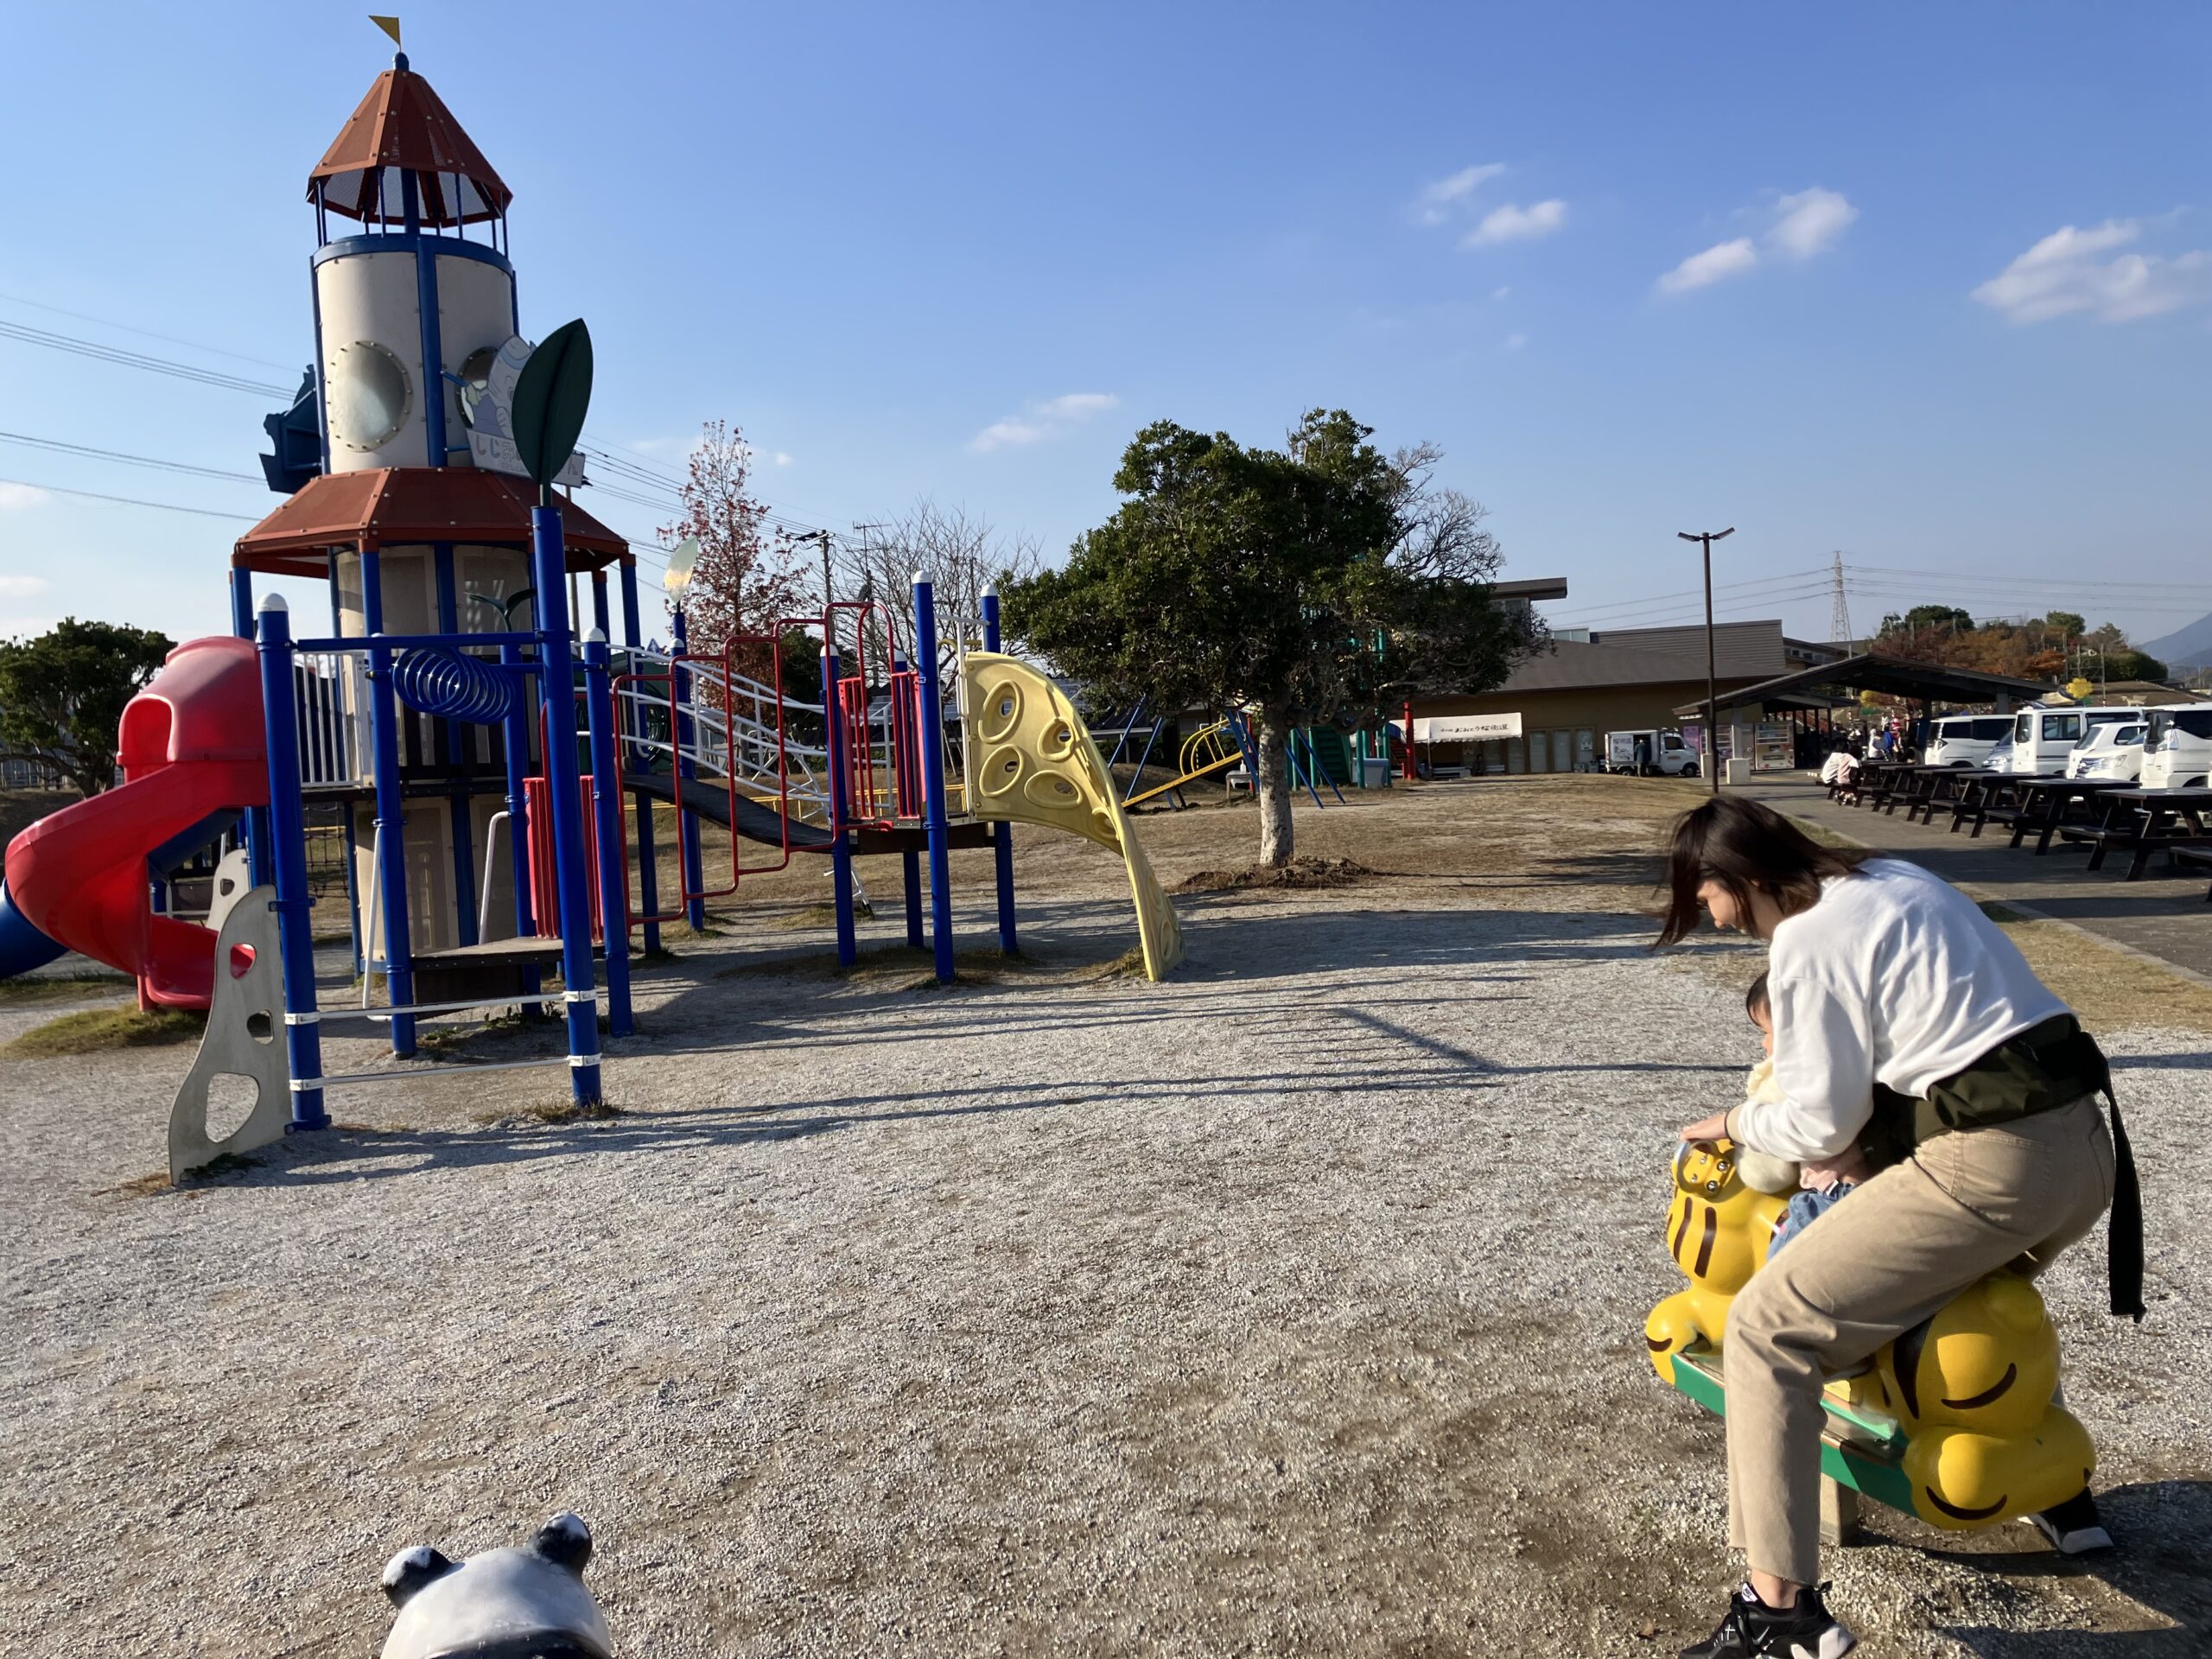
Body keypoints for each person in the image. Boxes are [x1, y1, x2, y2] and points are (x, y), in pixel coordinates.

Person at [1656, 797, 2141, 1659]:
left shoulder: (1804, 935)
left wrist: (1733, 1122)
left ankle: (1777, 1616)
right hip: (2083, 1148)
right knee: (1967, 1295)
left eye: (1707, 900)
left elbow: (1817, 1123)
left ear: (1739, 875)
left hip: (1992, 1162)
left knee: (1770, 1328)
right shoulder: (1894, 876)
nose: (1715, 919)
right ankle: (2052, 1484)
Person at [1738, 972, 1874, 1259]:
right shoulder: (1860, 1059)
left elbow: (1768, 1173)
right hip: (1882, 1183)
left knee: (1775, 1284)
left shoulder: (1791, 1079)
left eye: (1767, 1033)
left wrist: (1739, 1143)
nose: (1764, 1044)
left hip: (1833, 1195)